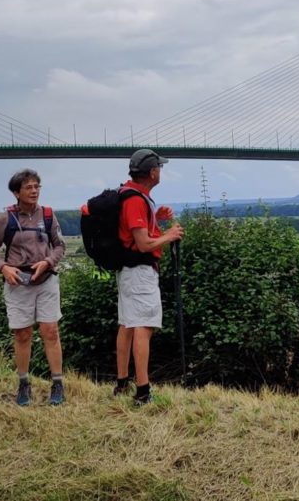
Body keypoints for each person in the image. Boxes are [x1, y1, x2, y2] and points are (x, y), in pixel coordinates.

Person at [0, 169, 67, 406]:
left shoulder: (49, 215)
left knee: (50, 331)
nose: (34, 191)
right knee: (22, 334)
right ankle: (23, 383)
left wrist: (48, 262)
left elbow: (60, 246)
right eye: (29, 187)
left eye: (37, 187)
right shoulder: (5, 218)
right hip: (17, 281)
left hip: (46, 279)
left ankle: (58, 383)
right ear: (16, 192)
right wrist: (3, 268)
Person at [113, 149, 183, 405]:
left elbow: (136, 231)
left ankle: (122, 383)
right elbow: (143, 244)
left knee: (128, 324)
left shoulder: (134, 195)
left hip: (130, 271)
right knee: (143, 326)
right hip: (140, 271)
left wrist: (156, 218)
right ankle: (143, 391)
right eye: (160, 168)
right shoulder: (135, 200)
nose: (160, 171)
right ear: (153, 172)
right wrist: (170, 235)